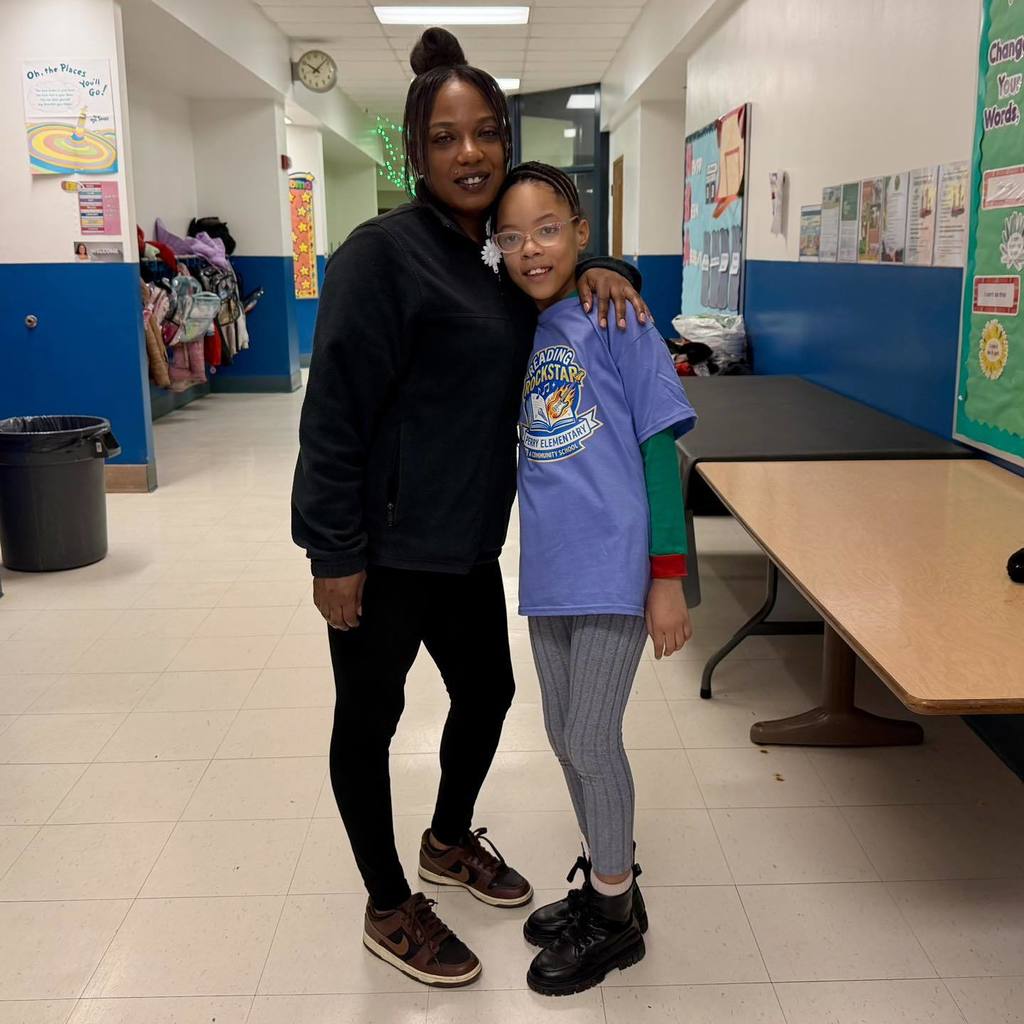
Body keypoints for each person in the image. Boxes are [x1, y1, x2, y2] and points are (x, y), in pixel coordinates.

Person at [291, 29, 648, 988]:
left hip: (466, 546)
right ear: (417, 151)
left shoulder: (493, 255)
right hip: (382, 544)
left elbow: (549, 263)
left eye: (486, 131)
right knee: (368, 719)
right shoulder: (381, 256)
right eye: (447, 136)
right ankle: (385, 900)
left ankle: (447, 839)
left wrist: (612, 266)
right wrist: (333, 552)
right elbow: (333, 417)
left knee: (487, 696)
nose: (471, 152)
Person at [491, 162, 696, 995]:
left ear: (582, 232)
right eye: (511, 235)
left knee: (590, 737)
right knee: (562, 735)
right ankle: (608, 882)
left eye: (548, 228)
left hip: (615, 564)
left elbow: (658, 450)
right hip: (549, 569)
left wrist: (669, 577)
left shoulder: (621, 318)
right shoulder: (516, 326)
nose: (531, 247)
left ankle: (614, 921)